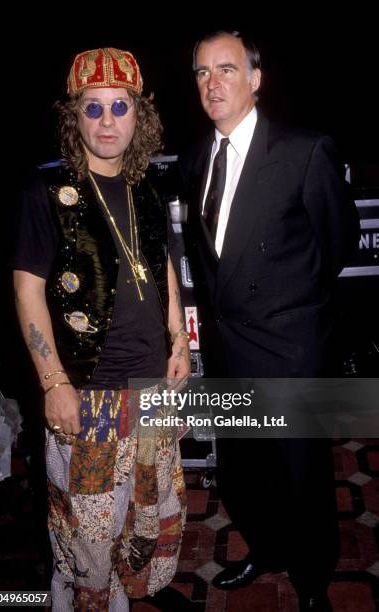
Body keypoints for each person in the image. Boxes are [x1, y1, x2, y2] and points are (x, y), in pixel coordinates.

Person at [181, 30, 360, 611]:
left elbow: (339, 243)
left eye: (227, 69)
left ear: (255, 79)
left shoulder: (305, 150)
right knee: (247, 471)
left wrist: (293, 309)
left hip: (290, 352)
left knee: (302, 478)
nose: (214, 83)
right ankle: (266, 548)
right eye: (203, 72)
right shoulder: (195, 157)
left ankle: (311, 582)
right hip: (229, 350)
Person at [12, 47, 190, 611]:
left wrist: (179, 336)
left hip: (151, 388)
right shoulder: (47, 195)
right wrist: (53, 382)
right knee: (88, 537)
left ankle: (125, 597)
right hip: (89, 394)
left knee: (148, 517)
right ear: (75, 118)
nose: (108, 121)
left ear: (139, 115)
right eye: (94, 109)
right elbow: (27, 289)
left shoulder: (146, 191)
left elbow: (159, 263)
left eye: (120, 106)